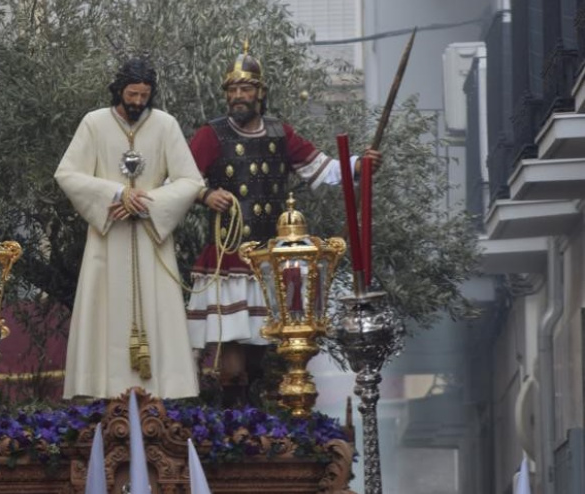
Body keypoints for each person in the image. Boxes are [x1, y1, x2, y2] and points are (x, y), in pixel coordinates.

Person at [186, 45, 381, 406]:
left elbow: (321, 168)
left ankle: (252, 426)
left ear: (260, 92)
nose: (238, 97)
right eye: (232, 90)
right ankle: (233, 423)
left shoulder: (280, 133)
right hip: (228, 257)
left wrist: (358, 166)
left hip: (269, 260)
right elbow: (181, 179)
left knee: (262, 351)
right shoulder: (210, 135)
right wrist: (205, 194)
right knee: (231, 352)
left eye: (246, 89)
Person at [55, 57, 203, 400]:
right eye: (132, 94)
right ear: (119, 90)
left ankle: (162, 393)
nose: (138, 102)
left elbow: (190, 180)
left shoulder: (166, 125)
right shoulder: (94, 124)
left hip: (152, 240)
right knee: (104, 312)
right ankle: (103, 391)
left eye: (144, 95)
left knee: (158, 312)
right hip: (107, 240)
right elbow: (67, 173)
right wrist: (117, 193)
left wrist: (147, 202)